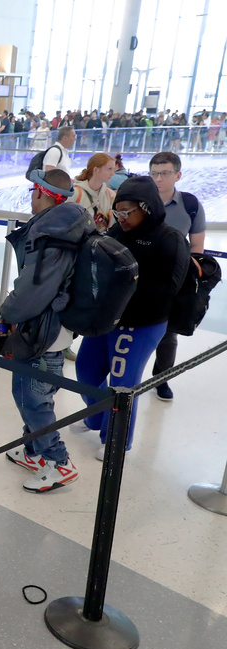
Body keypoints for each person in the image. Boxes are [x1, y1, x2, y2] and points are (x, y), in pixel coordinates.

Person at [76, 176, 189, 460]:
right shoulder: (117, 232)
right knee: (86, 371)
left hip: (143, 324)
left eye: (128, 212)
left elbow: (168, 289)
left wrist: (127, 282)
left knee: (122, 384)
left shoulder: (170, 239)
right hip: (108, 318)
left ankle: (116, 441)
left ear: (147, 208)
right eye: (118, 212)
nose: (122, 218)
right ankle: (97, 417)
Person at [0, 169, 86, 493]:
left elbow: (33, 291)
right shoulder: (72, 226)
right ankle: (33, 451)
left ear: (41, 193)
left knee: (33, 401)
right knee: (38, 395)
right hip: (57, 331)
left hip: (41, 336)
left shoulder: (51, 236)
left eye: (33, 191)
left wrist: (6, 313)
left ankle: (59, 463)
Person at [148, 151, 206, 401]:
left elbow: (197, 248)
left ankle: (161, 378)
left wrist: (186, 278)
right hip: (139, 277)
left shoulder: (189, 206)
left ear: (177, 175)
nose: (158, 179)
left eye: (164, 173)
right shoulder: (141, 202)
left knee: (168, 334)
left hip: (173, 279)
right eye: (153, 174)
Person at [69, 153, 116, 230]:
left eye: (113, 169)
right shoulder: (76, 193)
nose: (113, 173)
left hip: (100, 239)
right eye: (109, 169)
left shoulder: (110, 195)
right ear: (96, 170)